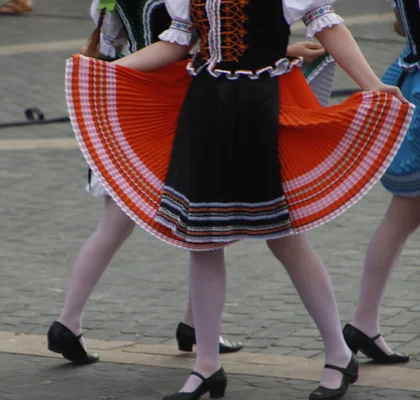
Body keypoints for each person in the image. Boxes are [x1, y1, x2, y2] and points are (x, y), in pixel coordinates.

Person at [65, 1, 412, 399]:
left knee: (285, 238)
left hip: (263, 107)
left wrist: (370, 83)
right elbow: (176, 43)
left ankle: (338, 350)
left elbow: (327, 26)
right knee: (203, 241)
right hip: (205, 107)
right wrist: (108, 71)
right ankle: (206, 365)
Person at [47, 0, 337, 365]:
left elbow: (112, 46)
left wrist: (102, 79)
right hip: (177, 101)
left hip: (136, 103)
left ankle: (87, 321)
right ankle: (81, 321)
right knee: (204, 222)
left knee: (167, 225)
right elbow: (209, 45)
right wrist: (282, 50)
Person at [343, 0, 419, 365]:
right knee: (403, 214)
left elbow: (401, 27)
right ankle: (362, 321)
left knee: (402, 216)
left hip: (409, 79)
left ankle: (364, 321)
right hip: (413, 87)